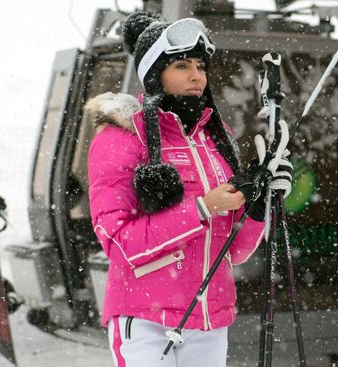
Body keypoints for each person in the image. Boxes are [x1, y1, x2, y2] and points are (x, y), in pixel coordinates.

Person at [86, 11, 293, 367]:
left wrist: (258, 206)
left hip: (210, 321)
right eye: (182, 65)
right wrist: (200, 208)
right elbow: (119, 243)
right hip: (146, 319)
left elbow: (236, 252)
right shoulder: (121, 139)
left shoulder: (215, 139)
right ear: (155, 73)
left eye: (200, 65)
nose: (197, 75)